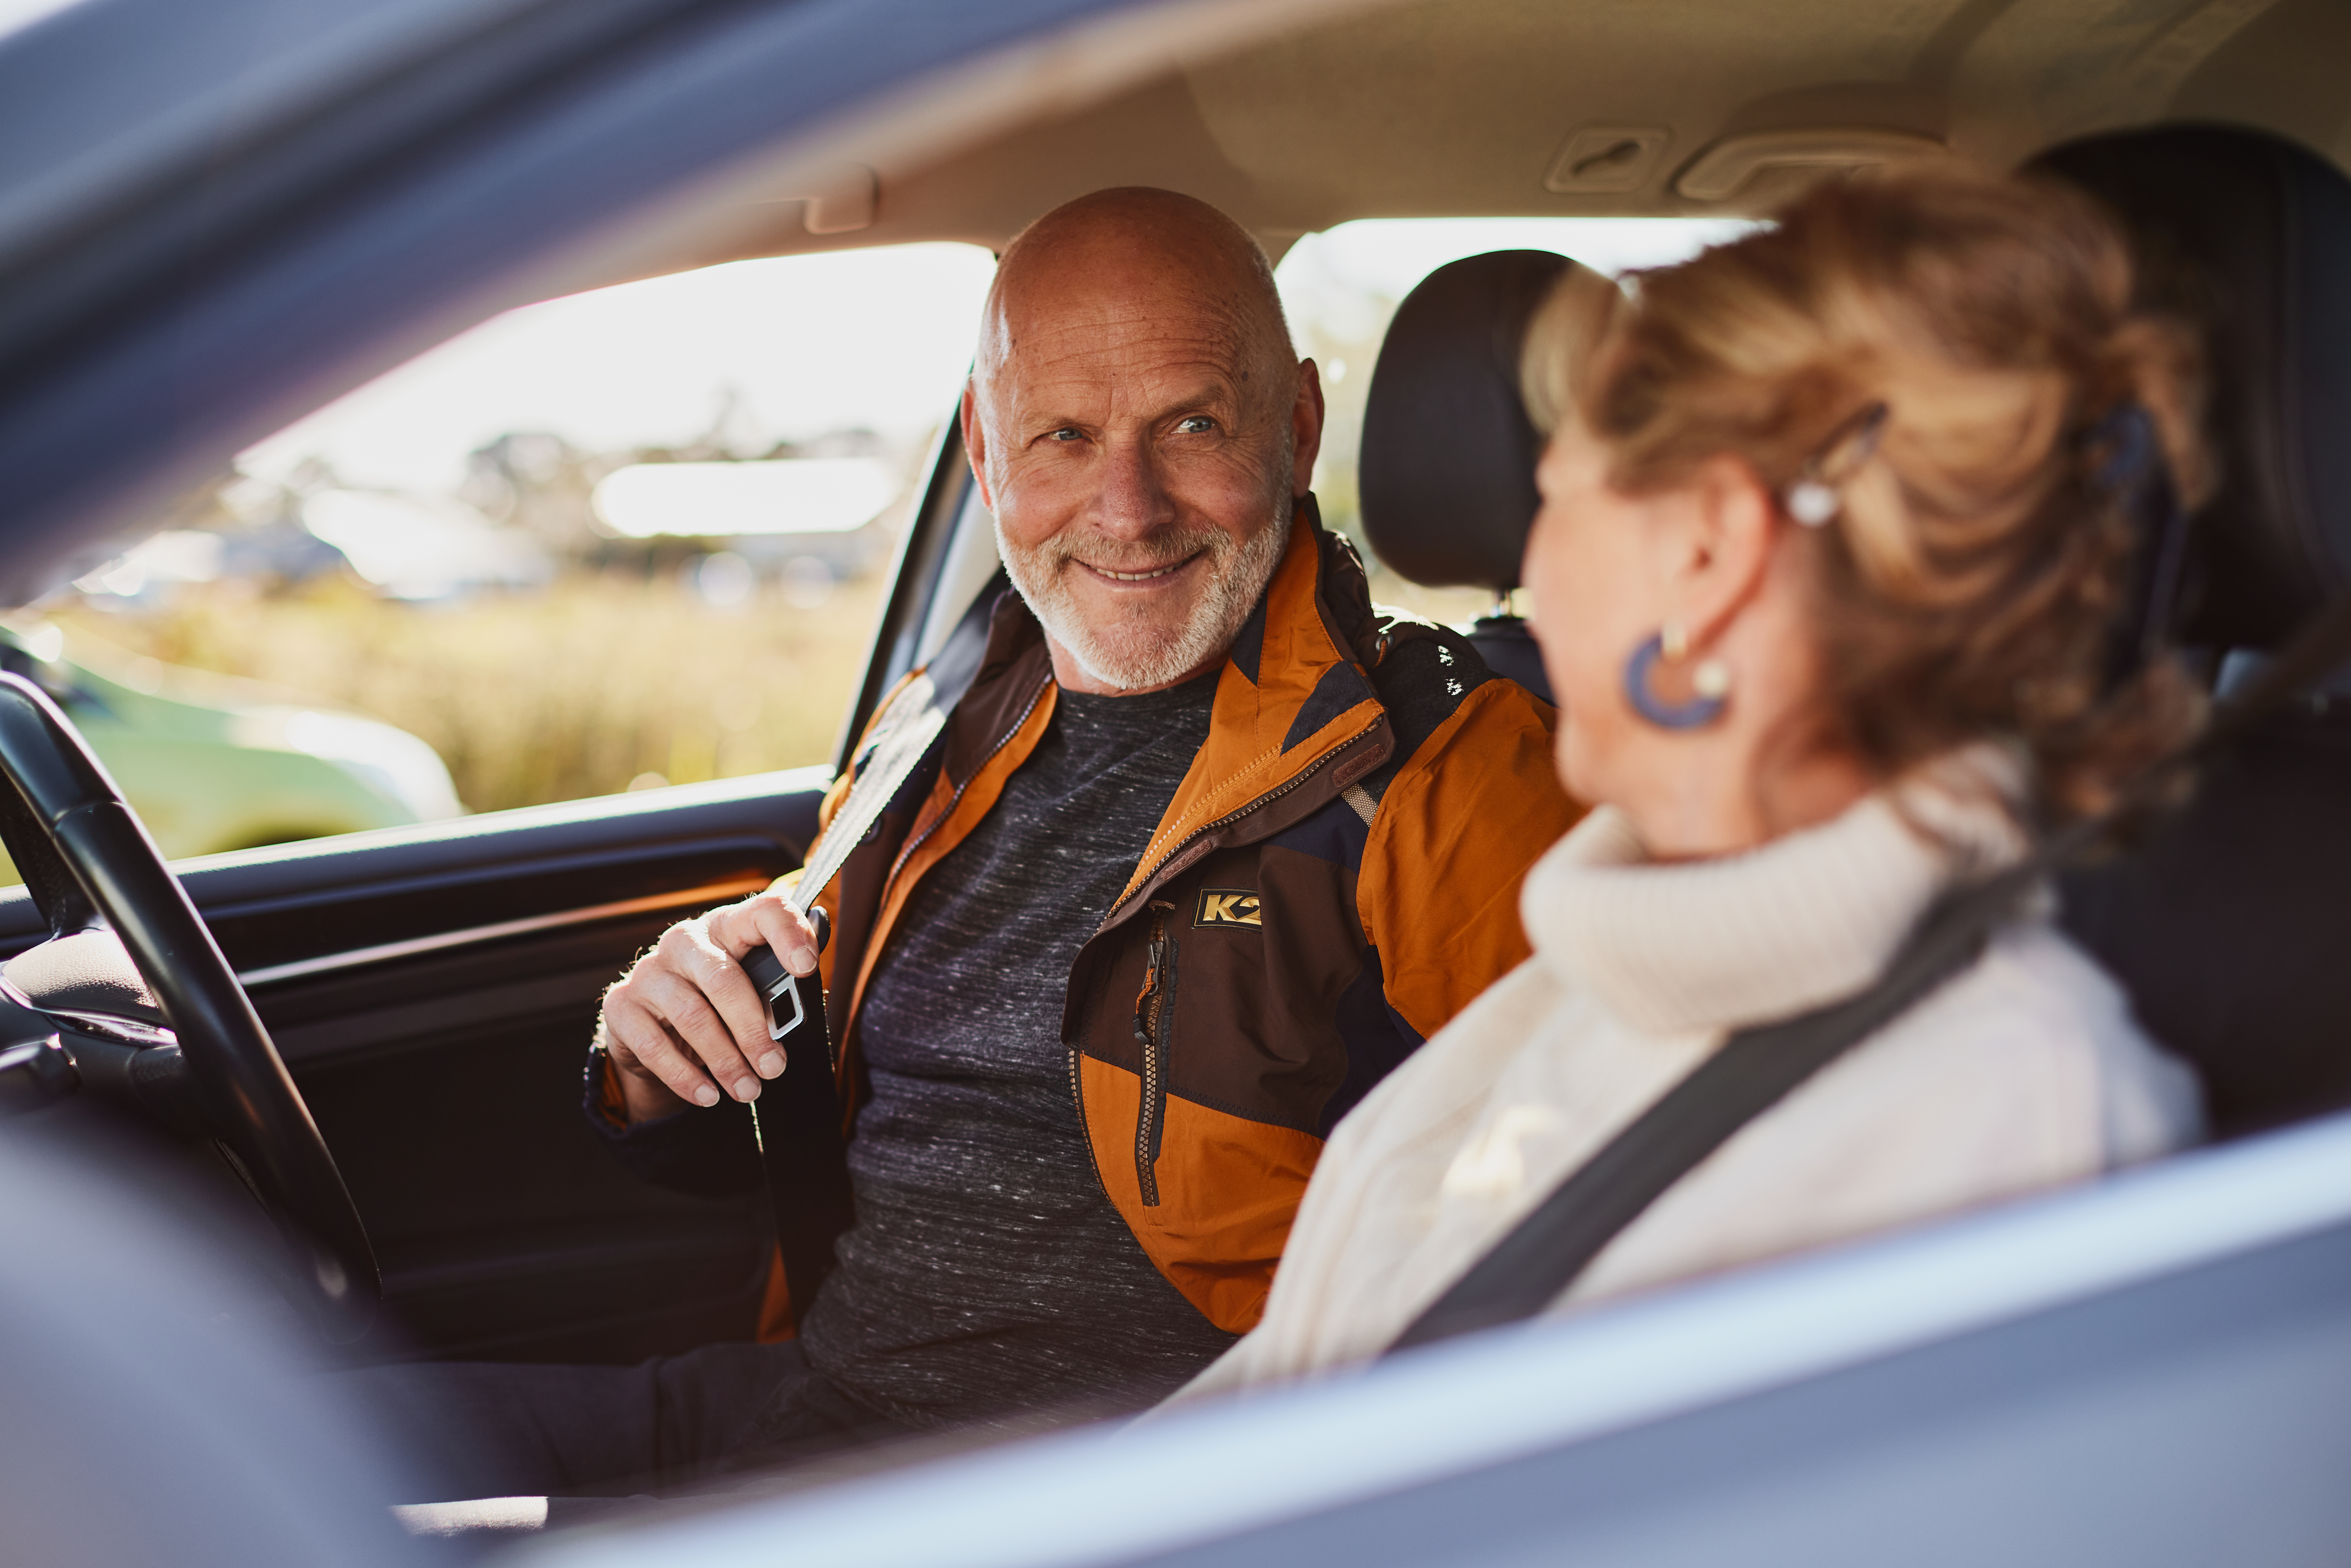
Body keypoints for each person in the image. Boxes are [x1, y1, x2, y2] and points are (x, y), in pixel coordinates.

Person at [353, 186, 1578, 1498]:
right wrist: (661, 1045)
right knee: (233, 1451)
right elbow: (813, 1100)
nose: (1125, 505)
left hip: (1095, 1503)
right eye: (1062, 435)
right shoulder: (943, 713)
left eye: (1190, 423)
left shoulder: (1447, 773)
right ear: (986, 455)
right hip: (811, 1401)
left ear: (1294, 429)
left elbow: (1590, 1246)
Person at [1173, 164, 2210, 1400]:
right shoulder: (1616, 958)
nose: (1531, 575)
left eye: (1554, 501)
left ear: (1707, 556)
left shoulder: (2014, 1126)